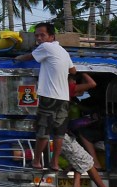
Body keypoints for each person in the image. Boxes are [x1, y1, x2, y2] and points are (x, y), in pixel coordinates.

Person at [14, 22, 76, 171]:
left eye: (42, 35)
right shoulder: (63, 51)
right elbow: (73, 71)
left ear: (51, 36)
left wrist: (17, 58)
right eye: (37, 36)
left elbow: (27, 57)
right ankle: (54, 163)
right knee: (59, 133)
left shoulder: (45, 47)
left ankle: (36, 162)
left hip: (49, 96)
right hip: (63, 98)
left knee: (43, 130)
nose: (39, 38)